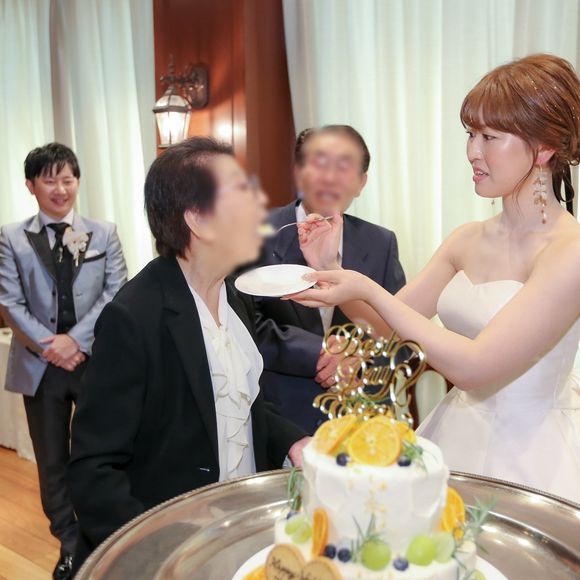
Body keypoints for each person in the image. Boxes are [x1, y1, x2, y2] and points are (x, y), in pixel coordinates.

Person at [287, 54, 580, 504]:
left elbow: (475, 367)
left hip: (532, 455)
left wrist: (366, 286)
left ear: (543, 149)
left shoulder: (569, 251)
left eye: (490, 137)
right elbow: (385, 329)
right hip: (456, 431)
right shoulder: (466, 238)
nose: (473, 152)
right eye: (470, 134)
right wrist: (332, 269)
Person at [67, 137, 310, 572]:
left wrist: (293, 439)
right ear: (197, 219)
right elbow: (93, 470)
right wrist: (163, 550)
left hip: (239, 534)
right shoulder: (134, 317)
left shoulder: (233, 296)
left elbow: (238, 401)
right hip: (176, 554)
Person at [0, 143, 127, 579]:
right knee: (52, 461)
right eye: (49, 180)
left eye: (67, 179)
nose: (60, 188)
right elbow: (9, 302)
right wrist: (50, 346)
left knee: (100, 454)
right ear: (31, 185)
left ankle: (102, 538)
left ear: (78, 182)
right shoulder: (10, 237)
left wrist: (76, 341)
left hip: (94, 362)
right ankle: (70, 544)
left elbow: (115, 291)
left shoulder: (104, 233)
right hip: (41, 367)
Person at [254, 125, 406, 433]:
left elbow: (403, 336)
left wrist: (359, 356)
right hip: (283, 418)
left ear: (361, 183)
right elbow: (244, 325)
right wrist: (320, 352)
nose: (330, 177)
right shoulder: (256, 235)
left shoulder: (381, 242)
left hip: (363, 419)